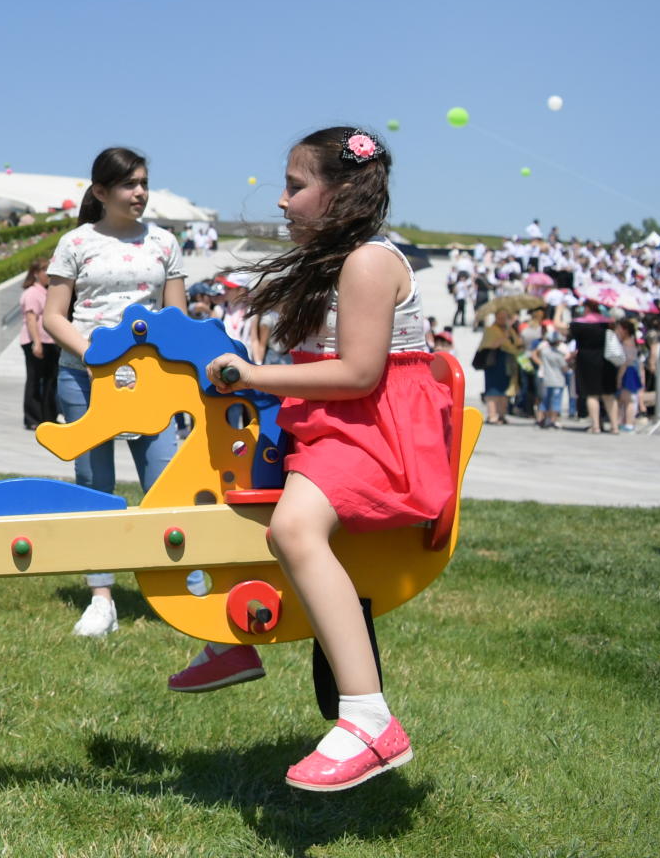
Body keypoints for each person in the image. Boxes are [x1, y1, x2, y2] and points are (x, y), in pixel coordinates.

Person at [189, 126, 451, 793]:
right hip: (331, 425)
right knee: (227, 491)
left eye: (295, 186)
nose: (282, 201)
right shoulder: (331, 262)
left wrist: (254, 376)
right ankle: (232, 640)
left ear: (341, 193)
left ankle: (368, 719)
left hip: (371, 432)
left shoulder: (368, 262)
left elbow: (361, 374)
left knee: (293, 529)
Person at [42, 147, 188, 637]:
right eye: (129, 185)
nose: (140, 193)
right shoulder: (75, 243)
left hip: (151, 384)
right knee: (94, 485)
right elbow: (53, 317)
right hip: (83, 379)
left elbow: (176, 320)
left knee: (167, 483)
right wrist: (93, 355)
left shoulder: (165, 243)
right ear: (101, 192)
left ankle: (184, 587)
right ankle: (102, 598)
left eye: (144, 182)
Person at [20, 258, 59, 430]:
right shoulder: (32, 293)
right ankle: (32, 418)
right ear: (36, 274)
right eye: (45, 271)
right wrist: (36, 343)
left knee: (51, 381)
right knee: (35, 379)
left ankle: (48, 417)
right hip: (35, 341)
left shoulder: (47, 292)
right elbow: (31, 319)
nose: (49, 275)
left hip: (50, 341)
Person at [476, 311, 519, 425]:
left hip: (506, 364)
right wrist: (502, 339)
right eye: (500, 317)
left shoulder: (509, 330)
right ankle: (492, 415)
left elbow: (517, 343)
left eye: (504, 317)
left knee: (504, 391)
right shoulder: (491, 330)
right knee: (492, 390)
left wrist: (509, 334)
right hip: (493, 363)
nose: (502, 320)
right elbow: (488, 345)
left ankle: (502, 415)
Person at [534, 329, 568, 429]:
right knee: (556, 402)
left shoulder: (544, 352)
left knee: (544, 400)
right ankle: (553, 421)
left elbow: (536, 354)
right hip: (557, 380)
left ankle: (540, 419)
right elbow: (564, 368)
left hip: (545, 379)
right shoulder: (559, 355)